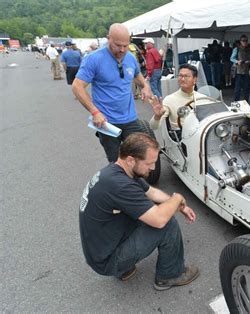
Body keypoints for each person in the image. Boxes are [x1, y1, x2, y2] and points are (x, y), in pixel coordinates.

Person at [79, 132, 199, 290]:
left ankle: (123, 269)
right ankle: (169, 275)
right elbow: (159, 219)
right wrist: (177, 198)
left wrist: (180, 205)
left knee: (144, 207)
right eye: (149, 163)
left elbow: (152, 192)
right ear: (130, 160)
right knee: (166, 222)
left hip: (100, 250)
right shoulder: (120, 185)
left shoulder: (118, 171)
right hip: (106, 260)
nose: (153, 168)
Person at [72, 23, 153, 163]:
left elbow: (140, 80)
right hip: (107, 122)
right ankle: (120, 184)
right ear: (108, 38)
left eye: (126, 45)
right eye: (117, 45)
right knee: (116, 162)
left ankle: (136, 184)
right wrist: (95, 112)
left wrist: (145, 87)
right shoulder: (94, 59)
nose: (122, 49)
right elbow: (77, 86)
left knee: (139, 157)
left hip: (131, 119)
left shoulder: (130, 58)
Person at [149, 64, 205, 138]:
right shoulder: (169, 100)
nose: (182, 79)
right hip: (180, 140)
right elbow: (153, 127)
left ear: (195, 79)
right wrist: (157, 116)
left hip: (202, 135)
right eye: (180, 76)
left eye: (186, 76)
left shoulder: (203, 98)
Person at [231, 34, 250, 101]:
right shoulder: (236, 49)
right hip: (238, 72)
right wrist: (237, 61)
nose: (245, 42)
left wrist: (249, 61)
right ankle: (236, 102)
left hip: (246, 71)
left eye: (246, 41)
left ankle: (246, 102)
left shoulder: (248, 50)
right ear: (240, 41)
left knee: (246, 89)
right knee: (237, 89)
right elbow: (231, 58)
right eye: (243, 41)